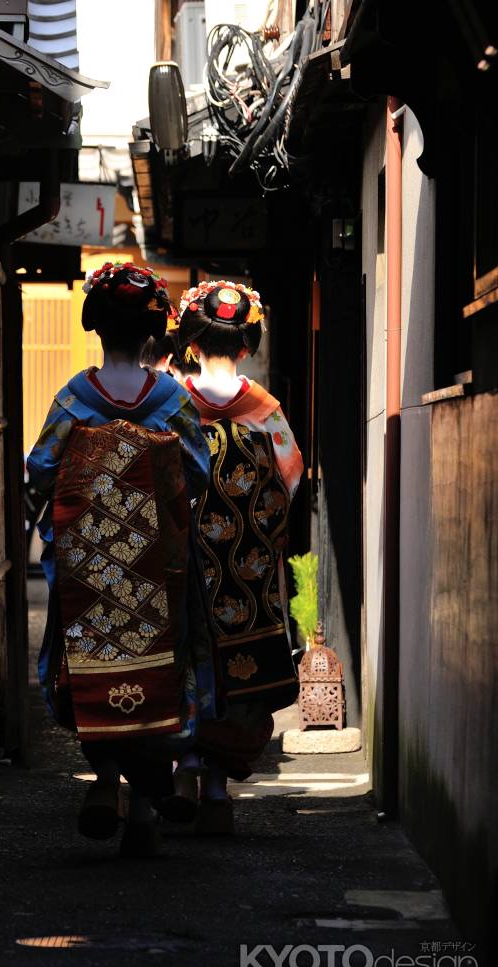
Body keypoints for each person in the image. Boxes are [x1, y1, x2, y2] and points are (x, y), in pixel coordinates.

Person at [26, 261, 218, 856]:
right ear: (153, 334)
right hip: (160, 566)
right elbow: (198, 469)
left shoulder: (75, 396)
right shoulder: (169, 398)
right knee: (166, 667)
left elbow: (40, 470)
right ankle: (144, 807)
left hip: (91, 570)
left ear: (95, 327)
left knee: (89, 663)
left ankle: (106, 780)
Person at [176, 278, 304, 834]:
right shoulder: (264, 409)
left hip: (180, 559)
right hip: (243, 567)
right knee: (235, 672)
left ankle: (181, 767)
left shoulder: (170, 399)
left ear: (190, 342)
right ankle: (217, 791)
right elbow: (291, 477)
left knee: (182, 658)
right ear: (248, 344)